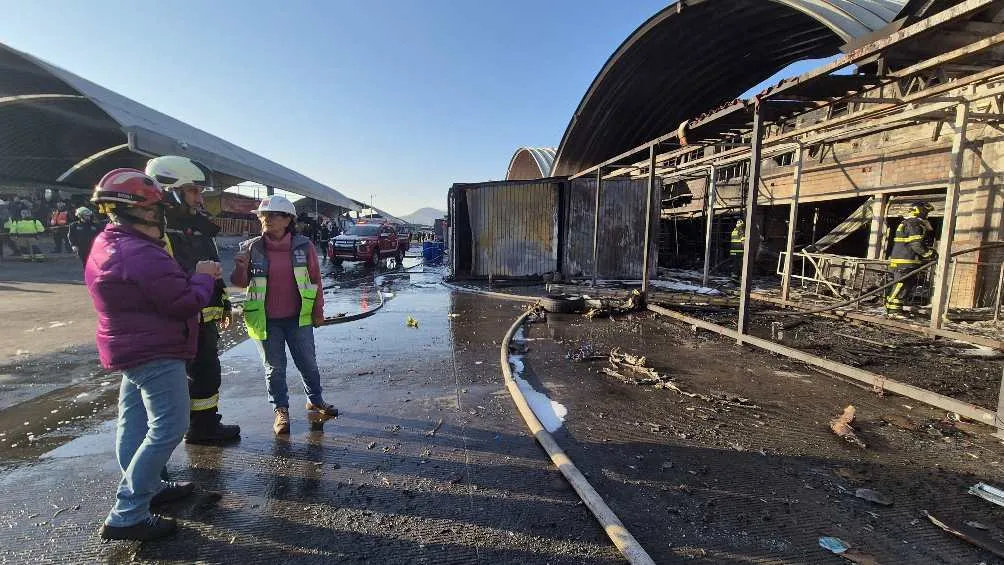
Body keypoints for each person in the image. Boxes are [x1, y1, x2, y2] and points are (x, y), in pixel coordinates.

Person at [85, 168, 221, 541]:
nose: (163, 215)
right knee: (169, 427)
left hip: (130, 345)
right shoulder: (142, 254)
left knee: (133, 423)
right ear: (142, 212)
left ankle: (151, 487)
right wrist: (204, 275)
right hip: (156, 349)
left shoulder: (108, 243)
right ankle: (128, 511)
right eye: (158, 209)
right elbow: (183, 301)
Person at [145, 156, 240, 444]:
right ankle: (154, 462)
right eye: (194, 191)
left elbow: (209, 265)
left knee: (207, 374)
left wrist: (222, 301)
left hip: (202, 315)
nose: (200, 198)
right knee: (172, 384)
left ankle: (204, 425)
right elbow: (160, 275)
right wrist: (197, 275)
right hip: (179, 320)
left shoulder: (196, 225)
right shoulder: (157, 229)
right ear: (171, 190)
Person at [230, 195, 335, 435]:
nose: (266, 219)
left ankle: (315, 400)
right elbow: (238, 284)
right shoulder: (250, 247)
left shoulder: (303, 246)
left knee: (307, 363)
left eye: (273, 215)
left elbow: (315, 281)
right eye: (263, 215)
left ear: (288, 219)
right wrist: (240, 266)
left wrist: (318, 312)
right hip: (265, 319)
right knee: (274, 368)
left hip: (299, 317)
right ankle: (281, 410)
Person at [886, 202, 937, 318]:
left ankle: (896, 310)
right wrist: (929, 254)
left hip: (905, 261)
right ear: (921, 211)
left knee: (903, 286)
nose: (927, 215)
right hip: (905, 262)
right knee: (900, 286)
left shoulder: (909, 223)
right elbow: (916, 245)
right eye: (926, 212)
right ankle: (893, 312)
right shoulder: (914, 224)